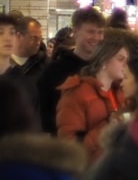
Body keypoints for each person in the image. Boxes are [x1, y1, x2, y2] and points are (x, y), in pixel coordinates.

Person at [56, 32, 132, 165]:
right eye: (120, 59)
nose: (126, 65)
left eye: (127, 60)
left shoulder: (121, 93)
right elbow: (69, 145)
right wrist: (107, 128)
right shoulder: (77, 92)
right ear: (104, 60)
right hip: (88, 173)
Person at [35, 7, 106, 134]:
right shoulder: (54, 70)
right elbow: (44, 112)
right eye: (91, 32)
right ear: (75, 31)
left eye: (100, 32)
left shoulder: (105, 68)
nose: (96, 37)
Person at [12, 16, 50, 109]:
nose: (38, 43)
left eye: (40, 39)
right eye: (34, 38)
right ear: (18, 36)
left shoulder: (46, 65)